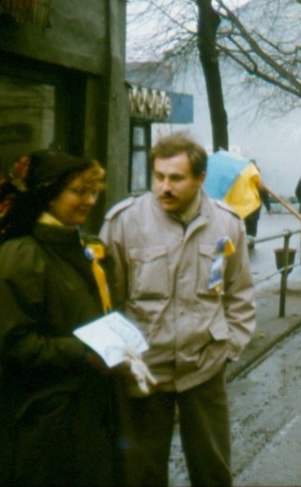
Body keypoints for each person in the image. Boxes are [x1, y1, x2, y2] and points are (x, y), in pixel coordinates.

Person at [0, 151, 140, 486]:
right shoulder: (21, 256)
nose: (89, 201)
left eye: (93, 192)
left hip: (91, 410)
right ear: (49, 194)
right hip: (43, 419)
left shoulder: (88, 248)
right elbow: (11, 342)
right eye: (78, 191)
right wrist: (85, 353)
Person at [101, 132, 256, 487]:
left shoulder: (227, 223)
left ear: (200, 178)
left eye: (176, 178)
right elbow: (109, 301)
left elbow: (239, 292)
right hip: (145, 369)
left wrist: (229, 346)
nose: (164, 187)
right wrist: (123, 359)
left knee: (213, 470)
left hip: (204, 365)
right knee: (142, 472)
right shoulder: (123, 222)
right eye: (159, 177)